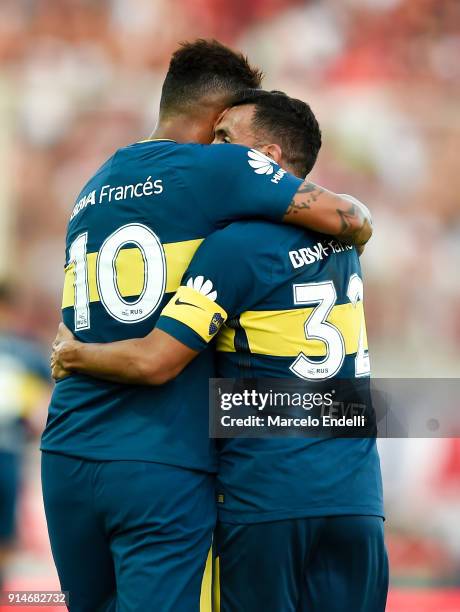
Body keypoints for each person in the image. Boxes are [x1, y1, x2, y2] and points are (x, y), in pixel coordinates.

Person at [42, 40, 372, 612]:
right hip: (162, 458)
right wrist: (358, 230)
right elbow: (351, 217)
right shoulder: (218, 169)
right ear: (216, 115)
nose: (224, 142)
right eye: (223, 129)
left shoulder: (92, 187)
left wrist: (72, 354)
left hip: (66, 448)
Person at [0, 284, 50, 590]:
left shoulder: (25, 352)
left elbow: (45, 397)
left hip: (9, 451)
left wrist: (33, 419)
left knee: (6, 526)